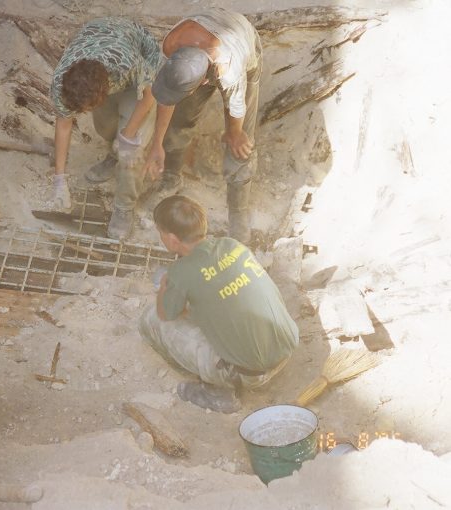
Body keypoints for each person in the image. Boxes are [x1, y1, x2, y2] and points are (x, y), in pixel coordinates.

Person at [139, 195, 298, 412]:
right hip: (285, 351)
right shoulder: (232, 245)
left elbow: (165, 313)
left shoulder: (181, 272)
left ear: (173, 240)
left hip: (251, 375)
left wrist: (165, 286)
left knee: (150, 320)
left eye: (161, 234)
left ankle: (216, 390)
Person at [144, 10, 262, 244]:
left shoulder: (231, 71)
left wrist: (233, 133)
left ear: (201, 82)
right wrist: (157, 144)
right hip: (206, 46)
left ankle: (238, 213)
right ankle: (171, 177)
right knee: (180, 120)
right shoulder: (172, 45)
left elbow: (235, 110)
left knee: (240, 144)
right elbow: (168, 97)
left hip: (243, 48)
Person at [50, 17, 162, 239]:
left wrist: (127, 135)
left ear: (104, 91)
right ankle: (113, 155)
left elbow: (149, 96)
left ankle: (124, 208)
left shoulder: (127, 64)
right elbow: (63, 127)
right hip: (99, 49)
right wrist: (59, 179)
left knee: (131, 150)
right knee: (105, 126)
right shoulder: (62, 83)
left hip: (137, 66)